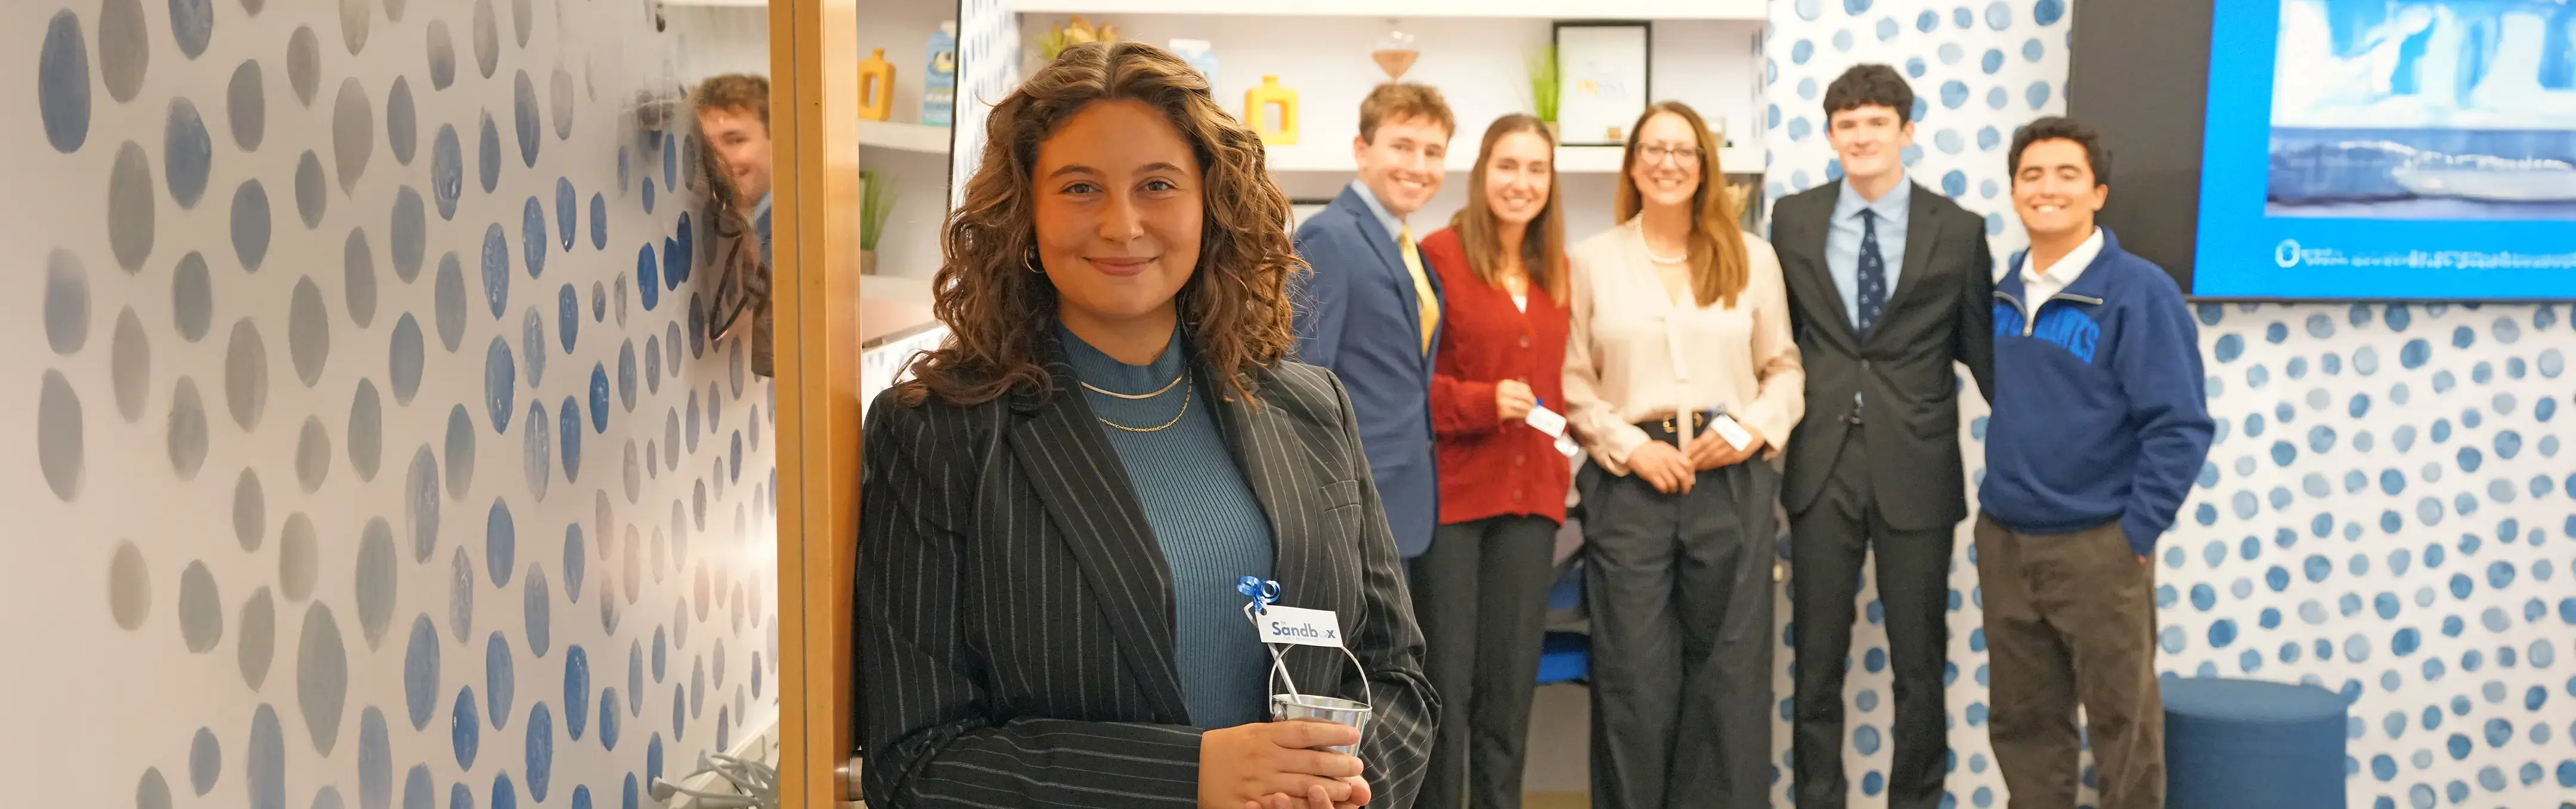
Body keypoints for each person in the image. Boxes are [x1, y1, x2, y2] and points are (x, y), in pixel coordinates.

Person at [853, 42, 1436, 809]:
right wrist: (1191, 778)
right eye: (1080, 188)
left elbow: (1396, 682)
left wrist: (1331, 790)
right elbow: (918, 758)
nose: (1123, 225)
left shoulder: (1309, 407)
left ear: (1211, 205)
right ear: (1025, 211)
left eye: (1157, 185)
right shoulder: (939, 435)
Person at [1561, 100, 1804, 809]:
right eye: (1654, 150)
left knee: (1728, 675)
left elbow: (1784, 370)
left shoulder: (1753, 259)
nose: (1669, 163)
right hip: (1631, 485)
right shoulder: (1591, 261)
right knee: (1633, 676)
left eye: (1684, 152)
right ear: (1633, 164)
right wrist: (1632, 447)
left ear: (1705, 168)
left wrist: (1751, 429)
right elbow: (1573, 383)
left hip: (1731, 479)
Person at [1766, 64, 1995, 809]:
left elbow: (1984, 355)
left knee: (1921, 666)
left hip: (1919, 467)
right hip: (1820, 465)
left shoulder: (1958, 231)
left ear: (1907, 130)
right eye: (1847, 124)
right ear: (1830, 135)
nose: (1861, 136)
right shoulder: (1792, 220)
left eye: (1876, 122)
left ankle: (1917, 801)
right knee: (1817, 664)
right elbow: (1777, 340)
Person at [1978, 116, 2212, 809]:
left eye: (2066, 175)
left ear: (2099, 193)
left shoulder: (2141, 292)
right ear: (2016, 192)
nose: (2047, 189)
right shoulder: (2002, 292)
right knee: (2023, 727)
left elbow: (2180, 426)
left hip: (2098, 547)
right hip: (2007, 542)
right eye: (2032, 176)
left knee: (2124, 728)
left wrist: (2135, 534)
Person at [1410, 113, 1571, 809]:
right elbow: (1404, 387)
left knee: (1509, 688)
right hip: (1453, 502)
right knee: (1447, 683)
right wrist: (1480, 403)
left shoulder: (1554, 271)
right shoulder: (1436, 257)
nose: (1522, 182)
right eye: (1509, 166)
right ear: (1482, 173)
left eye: (1537, 169)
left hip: (1532, 503)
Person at [1290, 83, 1456, 560]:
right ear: (1362, 149)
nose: (1419, 167)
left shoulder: (1404, 246)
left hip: (1398, 497)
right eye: (1402, 146)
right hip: (1349, 504)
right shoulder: (1331, 237)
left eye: (1433, 152)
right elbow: (1298, 381)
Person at [694, 73, 776, 376]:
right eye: (706, 146)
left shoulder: (801, 234)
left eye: (735, 140)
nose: (719, 160)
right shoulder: (713, 229)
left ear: (777, 142)